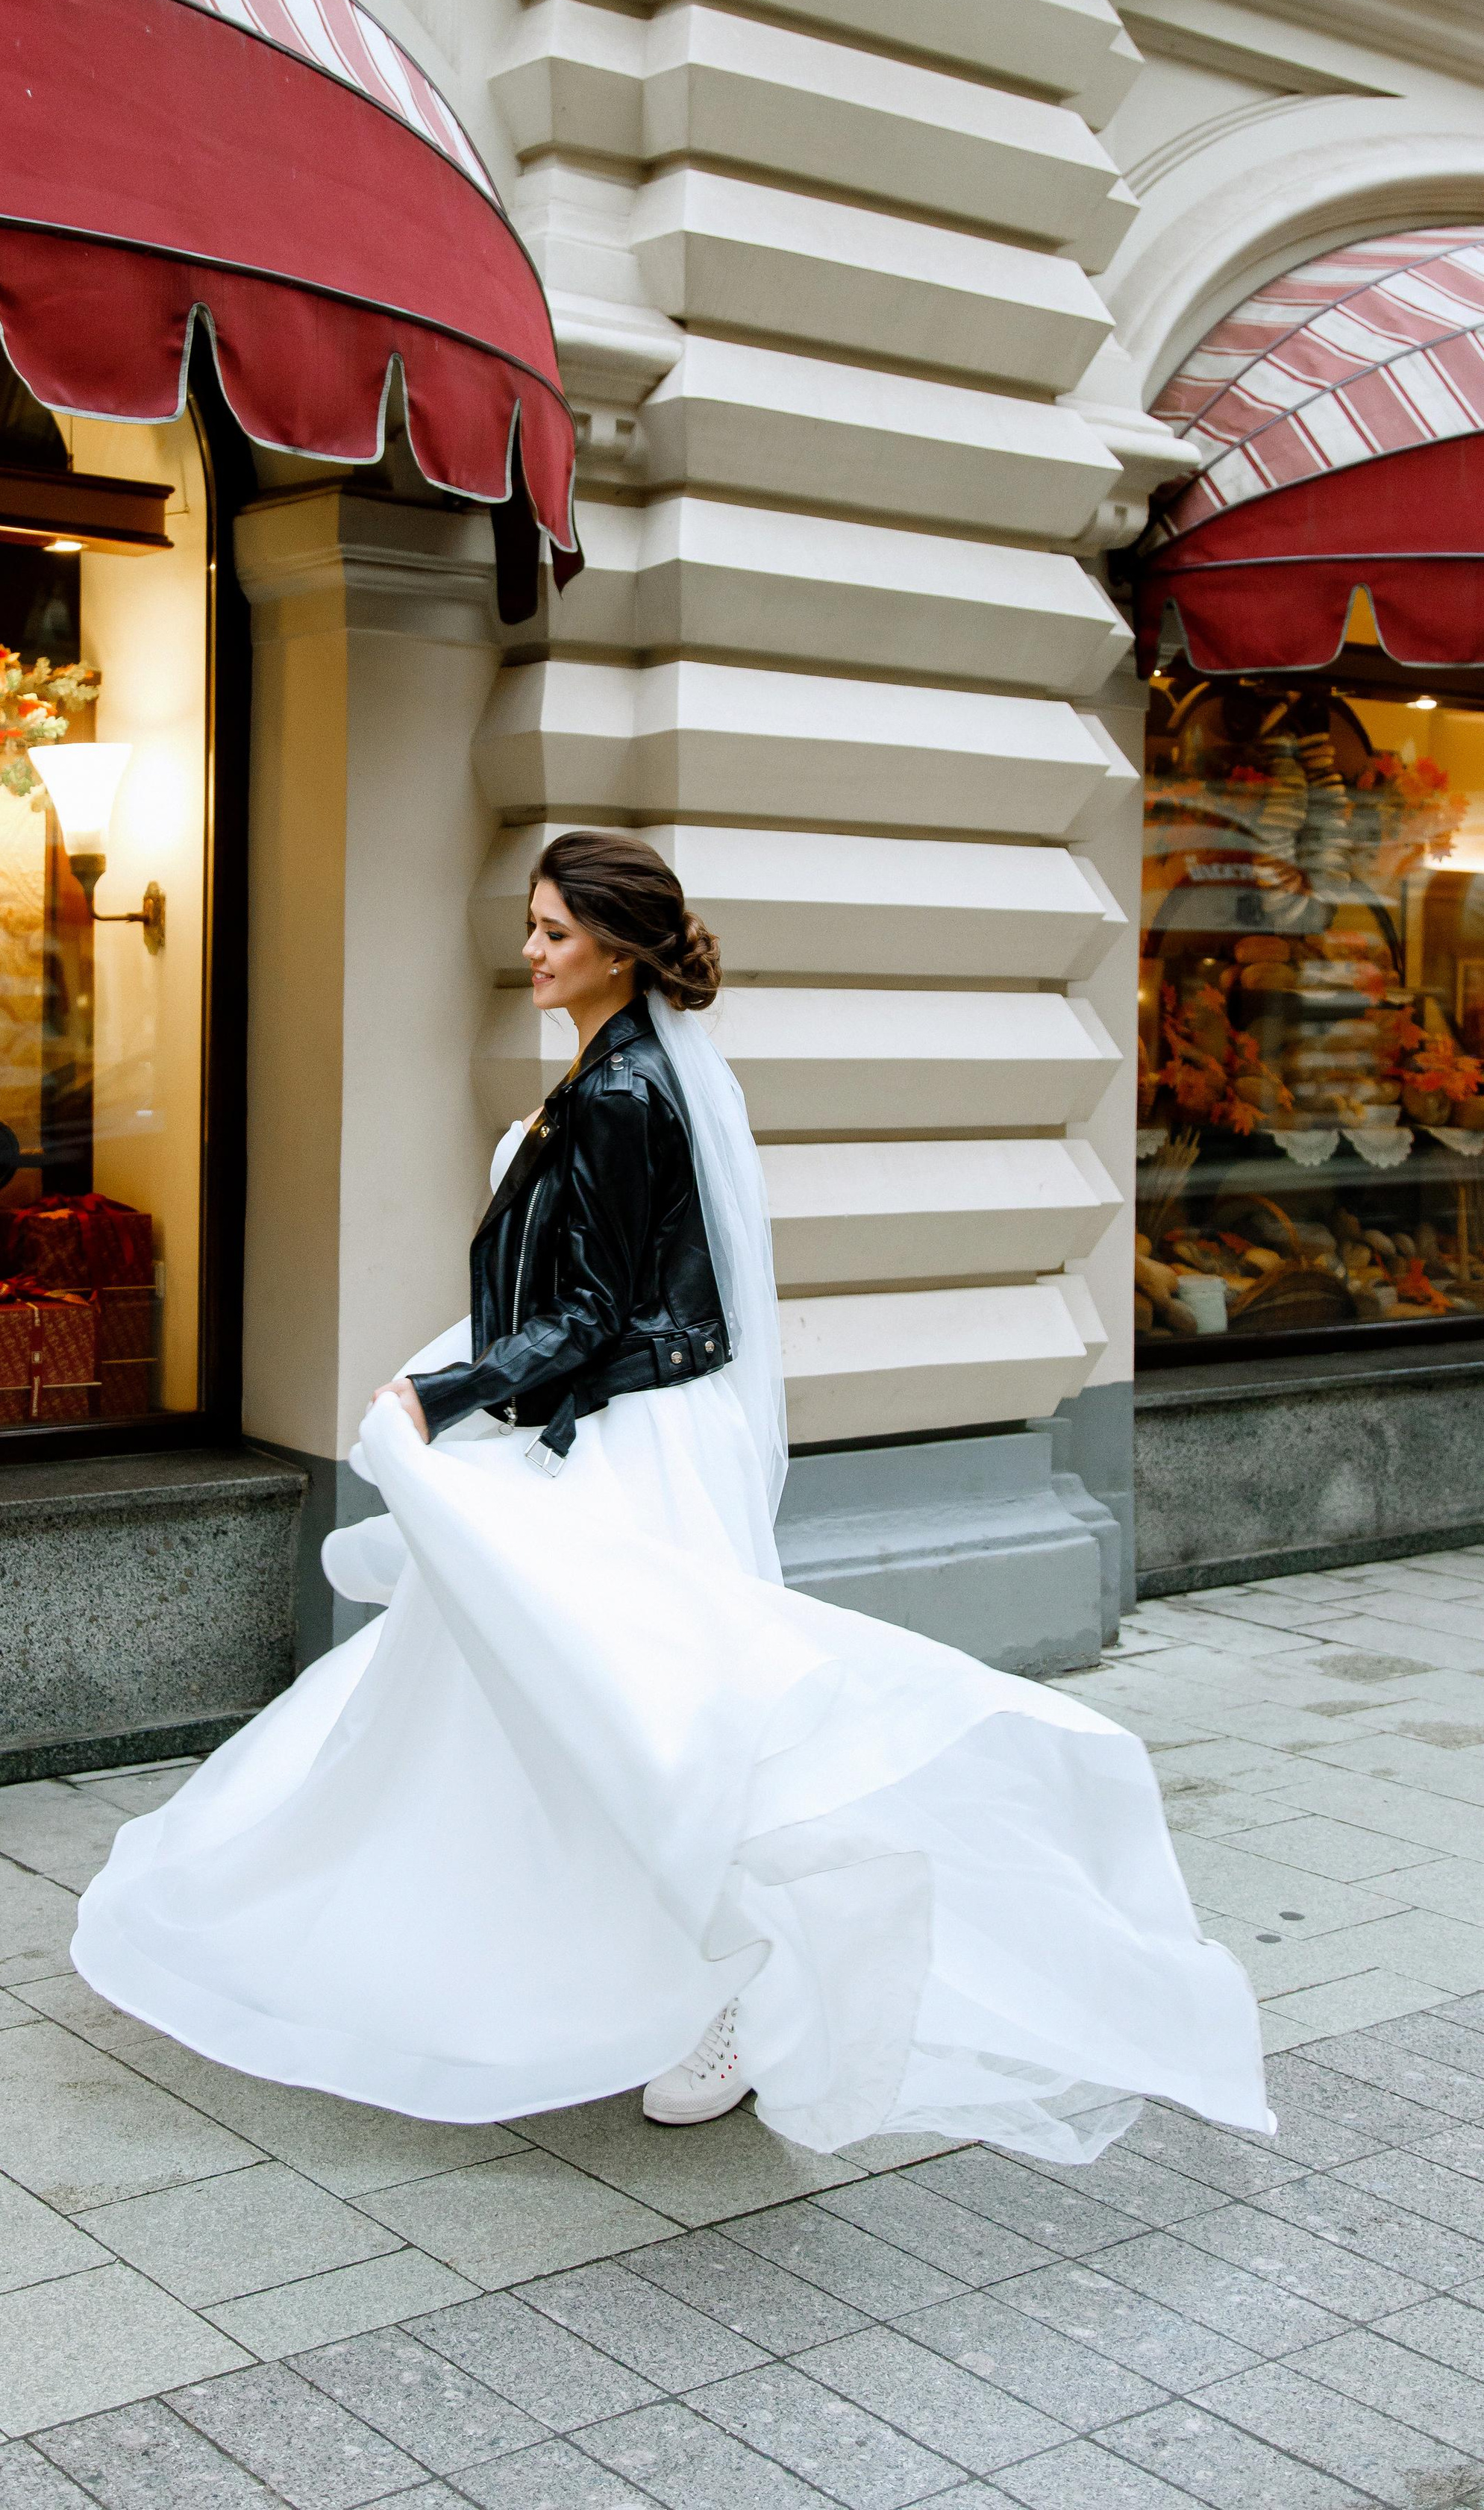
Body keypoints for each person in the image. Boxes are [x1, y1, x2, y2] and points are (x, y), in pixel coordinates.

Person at [74, 832, 1270, 2155]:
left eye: (554, 933)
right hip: (607, 1420)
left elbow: (594, 1312)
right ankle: (572, 1954)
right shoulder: (606, 1066)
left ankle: (745, 1986)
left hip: (627, 1434)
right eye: (529, 927)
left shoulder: (625, 1091)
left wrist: (444, 1397)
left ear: (622, 947)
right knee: (538, 1697)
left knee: (650, 1715)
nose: (529, 952)